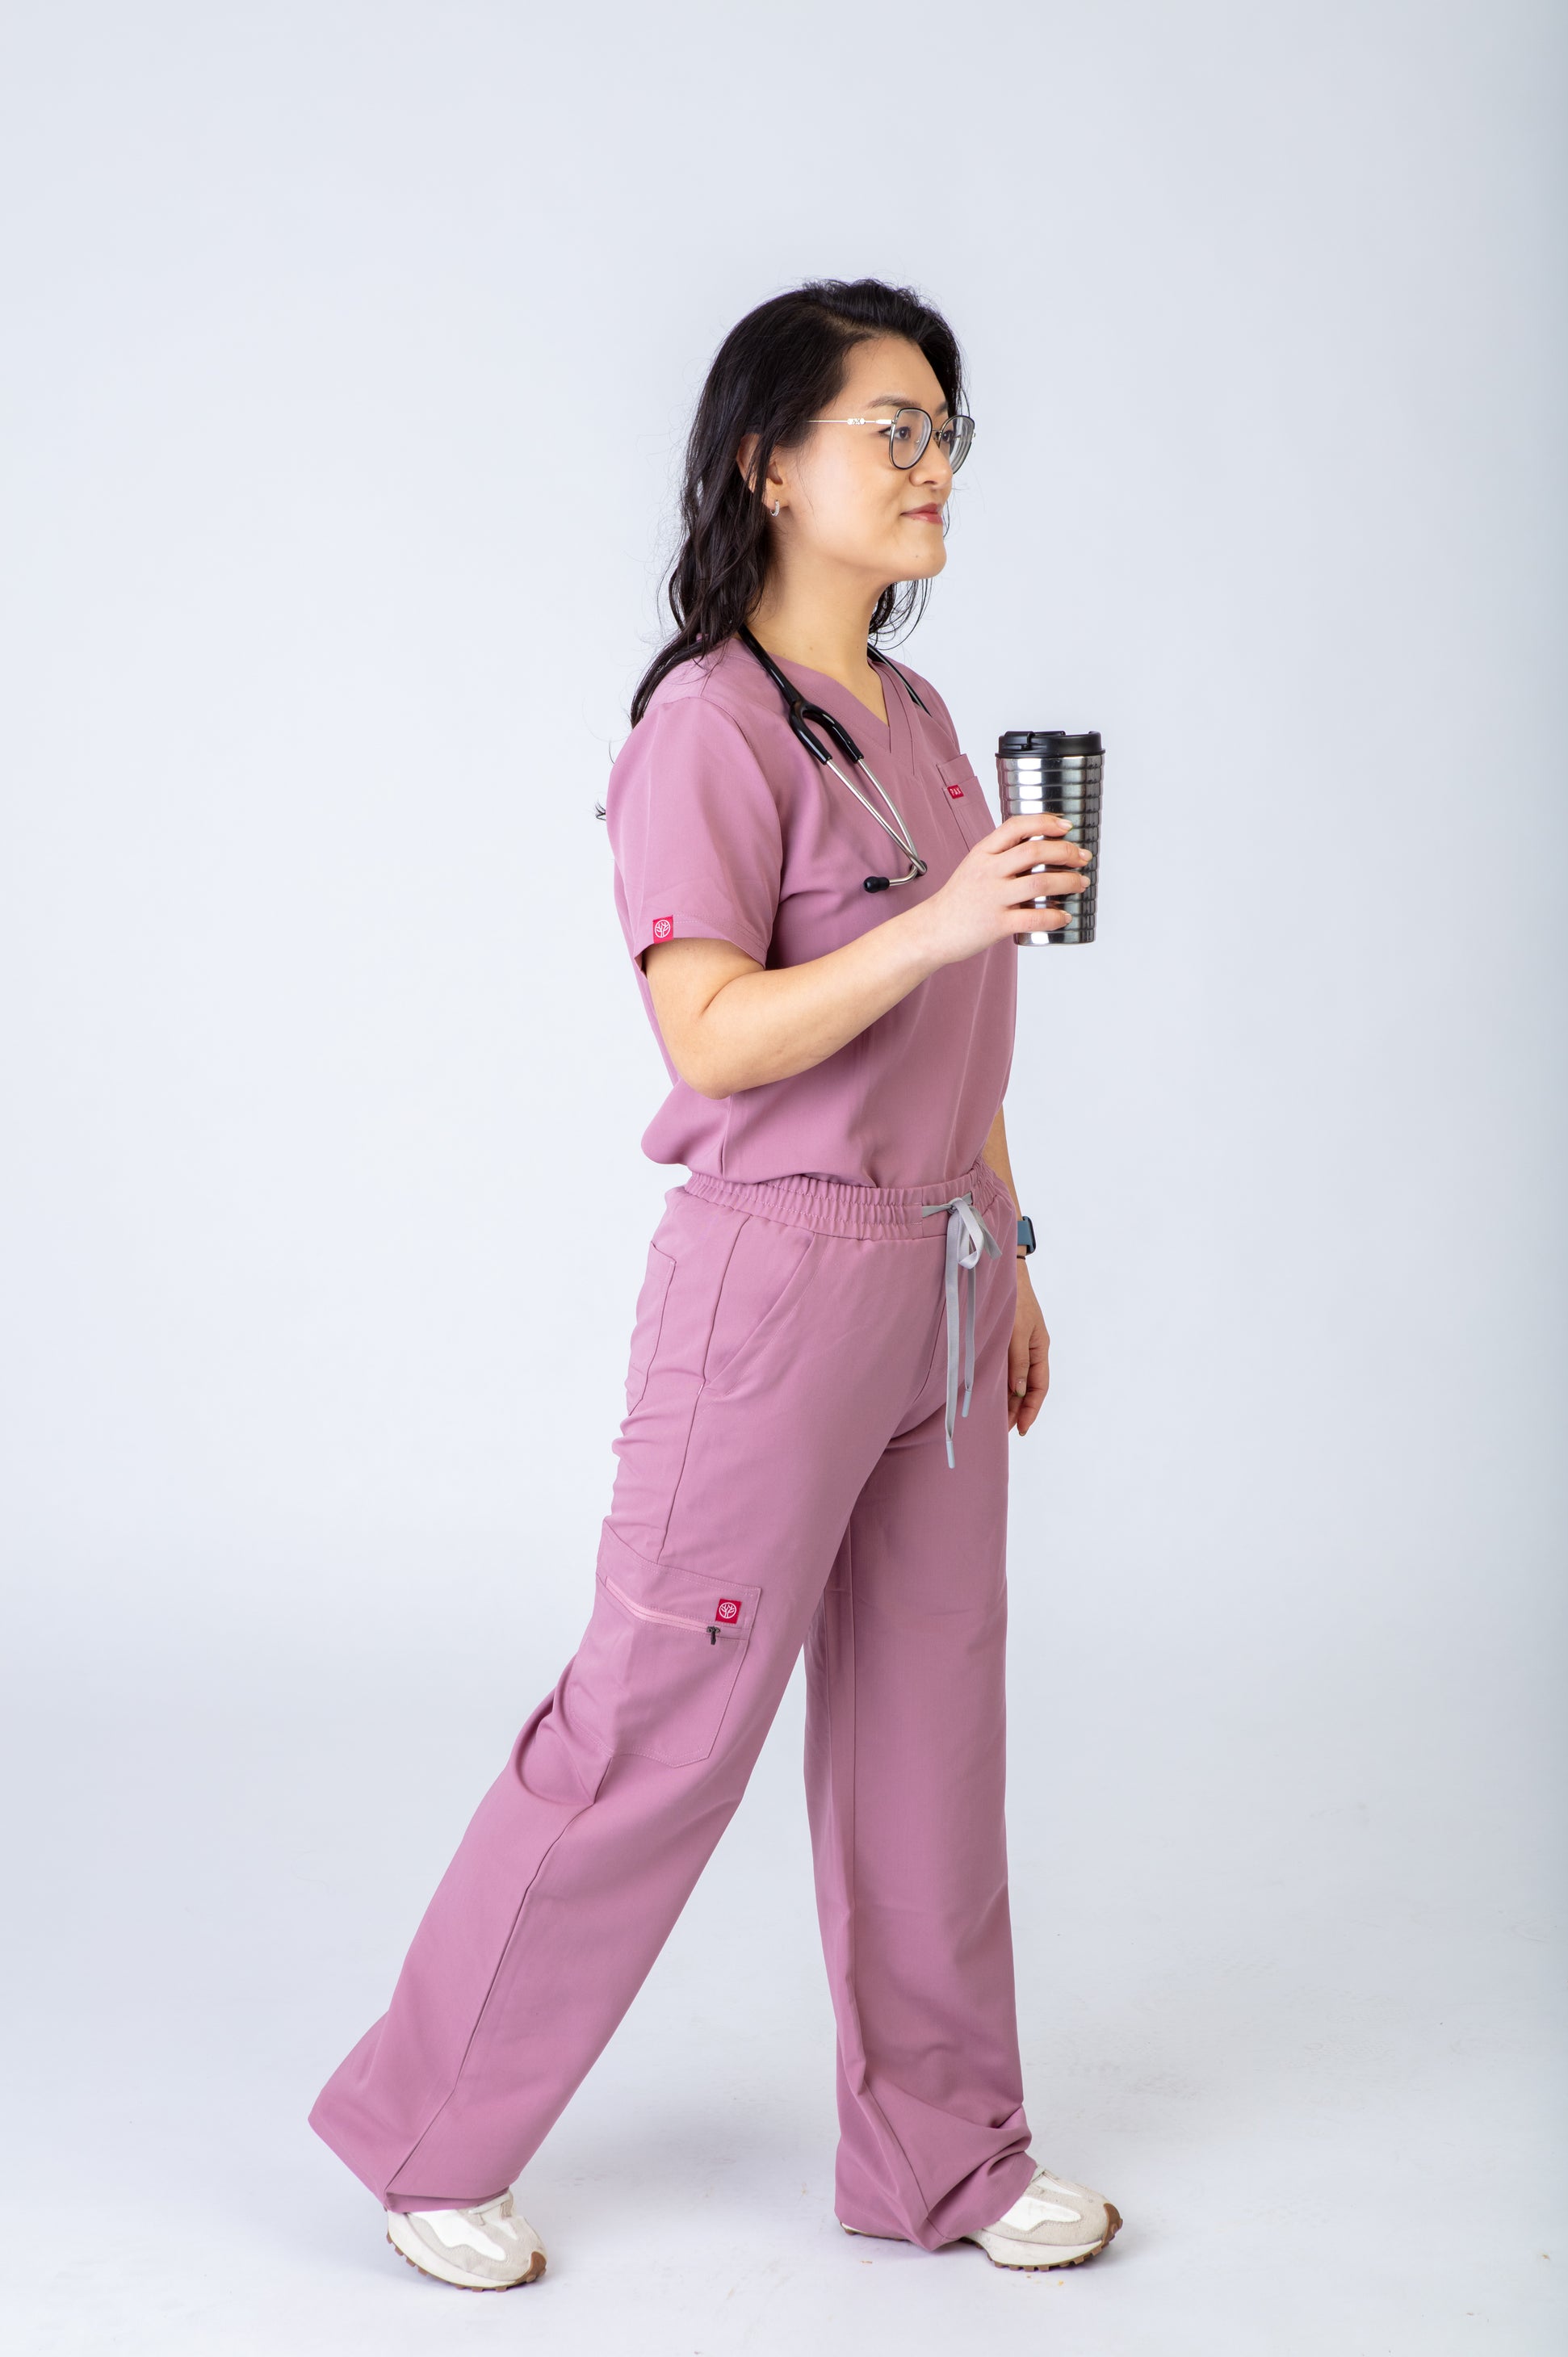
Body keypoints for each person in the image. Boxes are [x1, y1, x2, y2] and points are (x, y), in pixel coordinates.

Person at [308, 275, 1121, 2291]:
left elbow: (959, 1041)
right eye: (892, 428)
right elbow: (713, 1032)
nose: (933, 465)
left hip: (941, 1276)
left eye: (946, 430)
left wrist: (1009, 1243)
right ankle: (429, 2132)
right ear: (770, 461)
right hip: (777, 1288)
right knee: (657, 1716)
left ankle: (942, 2151)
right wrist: (936, 923)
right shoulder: (706, 724)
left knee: (929, 1724)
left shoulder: (921, 721)